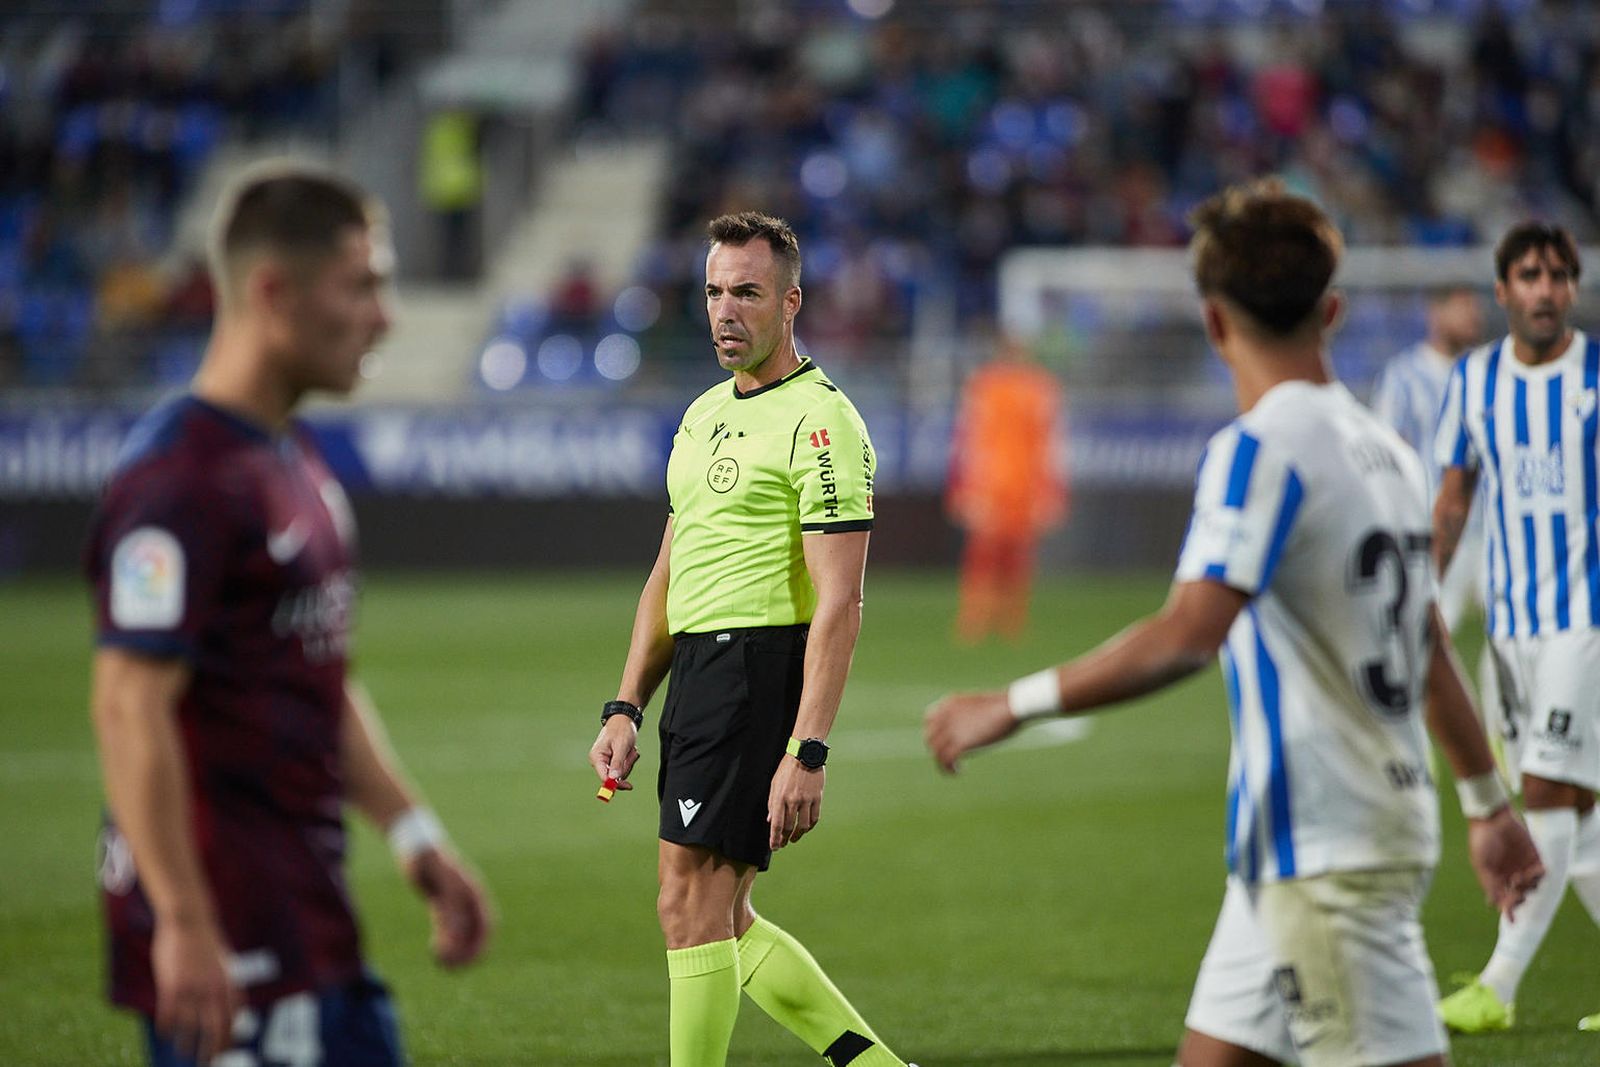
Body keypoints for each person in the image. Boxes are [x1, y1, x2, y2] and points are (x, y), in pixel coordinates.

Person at [924, 179, 1543, 1067]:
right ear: (1330, 310)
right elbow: (1431, 641)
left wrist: (1013, 701)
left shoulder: (1260, 451)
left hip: (1324, 845)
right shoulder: (1391, 453)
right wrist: (1487, 802)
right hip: (1299, 849)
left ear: (1214, 323)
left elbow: (1187, 632)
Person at [86, 163, 492, 1067]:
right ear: (274, 292)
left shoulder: (292, 461)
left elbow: (313, 675)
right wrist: (186, 925)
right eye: (364, 284)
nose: (385, 316)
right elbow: (128, 704)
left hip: (310, 927)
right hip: (236, 952)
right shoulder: (180, 479)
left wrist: (413, 833)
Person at [588, 211, 910, 1067]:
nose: (726, 311)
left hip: (755, 666)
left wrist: (809, 747)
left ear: (791, 302)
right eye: (714, 291)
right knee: (723, 917)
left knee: (687, 902)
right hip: (699, 668)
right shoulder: (700, 417)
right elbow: (668, 571)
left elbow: (841, 601)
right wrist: (624, 703)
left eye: (748, 293)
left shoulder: (823, 422)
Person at [1432, 222, 1600, 1035]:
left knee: (1543, 790)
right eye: (1530, 274)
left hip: (1587, 622)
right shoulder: (1471, 381)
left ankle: (1498, 983)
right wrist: (1423, 592)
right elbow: (1454, 497)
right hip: (1510, 629)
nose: (1547, 289)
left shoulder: (1598, 375)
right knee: (1584, 812)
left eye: (1561, 275)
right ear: (1502, 290)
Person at [1370, 287, 1488, 635]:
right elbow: (1389, 454)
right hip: (1432, 524)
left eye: (1474, 309)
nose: (1472, 317)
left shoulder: (1484, 373)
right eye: (1462, 306)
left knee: (1510, 638)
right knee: (1429, 635)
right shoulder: (1403, 377)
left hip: (1489, 526)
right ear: (1435, 312)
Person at [946, 334, 1069, 642]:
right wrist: (962, 486)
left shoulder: (1041, 388)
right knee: (984, 553)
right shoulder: (984, 386)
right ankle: (976, 617)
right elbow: (966, 438)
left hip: (1024, 483)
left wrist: (1051, 491)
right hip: (989, 483)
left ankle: (1011, 619)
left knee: (1018, 554)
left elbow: (1051, 444)